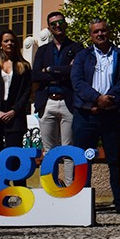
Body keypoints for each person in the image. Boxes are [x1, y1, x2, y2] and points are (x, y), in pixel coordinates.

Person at [71, 19, 120, 214]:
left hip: (111, 114)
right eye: (96, 32)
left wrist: (108, 100)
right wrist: (96, 99)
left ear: (109, 32)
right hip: (86, 115)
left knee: (115, 160)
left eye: (103, 30)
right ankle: (81, 204)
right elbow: (77, 82)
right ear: (91, 35)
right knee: (82, 159)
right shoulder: (82, 56)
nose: (100, 34)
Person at [32, 11, 83, 186]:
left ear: (65, 24)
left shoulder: (76, 48)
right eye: (53, 24)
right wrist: (60, 71)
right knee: (48, 150)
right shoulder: (42, 50)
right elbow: (35, 75)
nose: (58, 26)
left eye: (60, 22)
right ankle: (49, 187)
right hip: (47, 103)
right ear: (49, 28)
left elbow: (75, 71)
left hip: (68, 102)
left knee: (69, 149)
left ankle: (69, 188)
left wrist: (50, 69)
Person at [0, 29, 32, 185]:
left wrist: (14, 110)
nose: (10, 43)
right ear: (0, 45)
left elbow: (27, 91)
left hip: (15, 114)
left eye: (12, 41)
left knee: (15, 155)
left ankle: (19, 190)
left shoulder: (24, 66)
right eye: (6, 41)